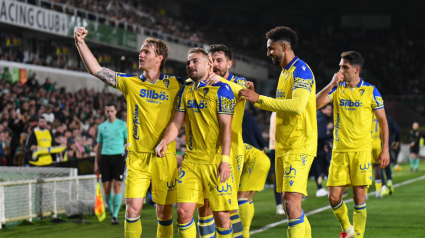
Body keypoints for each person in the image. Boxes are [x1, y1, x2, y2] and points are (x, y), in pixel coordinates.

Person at [75, 27, 221, 238]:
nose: (140, 55)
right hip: (137, 159)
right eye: (141, 51)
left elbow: (202, 78)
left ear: (159, 58)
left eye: (146, 52)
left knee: (164, 213)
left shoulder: (176, 85)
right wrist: (80, 42)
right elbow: (96, 69)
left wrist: (217, 78)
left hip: (165, 158)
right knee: (133, 209)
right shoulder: (131, 83)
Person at [239, 26, 317, 238]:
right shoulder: (285, 72)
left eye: (271, 48)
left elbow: (298, 105)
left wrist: (260, 99)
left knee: (291, 203)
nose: (268, 53)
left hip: (299, 144)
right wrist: (258, 99)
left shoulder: (301, 70)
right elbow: (282, 105)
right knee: (289, 204)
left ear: (284, 47)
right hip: (284, 145)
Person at [156, 47, 237, 238]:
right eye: (188, 63)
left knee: (223, 218)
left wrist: (225, 160)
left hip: (216, 160)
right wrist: (165, 141)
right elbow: (176, 122)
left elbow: (226, 128)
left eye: (195, 61)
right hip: (191, 161)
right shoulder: (185, 90)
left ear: (209, 64)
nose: (190, 65)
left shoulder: (223, 89)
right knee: (183, 213)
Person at [316, 51, 390, 238]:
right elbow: (314, 104)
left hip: (362, 151)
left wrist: (385, 149)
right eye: (340, 66)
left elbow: (383, 122)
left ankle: (357, 236)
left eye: (345, 67)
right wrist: (332, 83)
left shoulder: (371, 91)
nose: (341, 70)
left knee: (359, 198)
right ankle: (348, 229)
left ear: (356, 70)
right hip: (339, 151)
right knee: (333, 198)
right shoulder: (337, 89)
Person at [194, 44, 247, 238]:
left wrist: (222, 82)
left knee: (228, 207)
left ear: (229, 63)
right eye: (211, 60)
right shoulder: (201, 84)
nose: (214, 64)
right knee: (204, 205)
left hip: (230, 151)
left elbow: (244, 90)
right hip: (204, 153)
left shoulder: (238, 81)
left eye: (219, 60)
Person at [95, 103, 127, 224]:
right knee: (107, 188)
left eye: (111, 111)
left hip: (118, 157)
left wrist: (129, 159)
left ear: (116, 111)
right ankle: (112, 211)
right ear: (105, 112)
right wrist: (96, 163)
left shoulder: (122, 125)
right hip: (105, 158)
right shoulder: (101, 127)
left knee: (117, 186)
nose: (109, 113)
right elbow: (99, 145)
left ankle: (115, 215)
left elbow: (128, 142)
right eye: (107, 111)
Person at [315, 104, 333, 197]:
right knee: (318, 169)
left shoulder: (320, 117)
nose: (331, 111)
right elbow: (321, 135)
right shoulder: (322, 119)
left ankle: (326, 188)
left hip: (318, 148)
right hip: (317, 149)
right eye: (329, 109)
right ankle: (320, 189)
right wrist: (333, 134)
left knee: (323, 169)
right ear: (323, 109)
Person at [269, 112, 285, 215]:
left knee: (279, 178)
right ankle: (281, 205)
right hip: (280, 147)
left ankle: (280, 205)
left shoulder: (274, 112)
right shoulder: (279, 111)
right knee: (282, 178)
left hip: (274, 147)